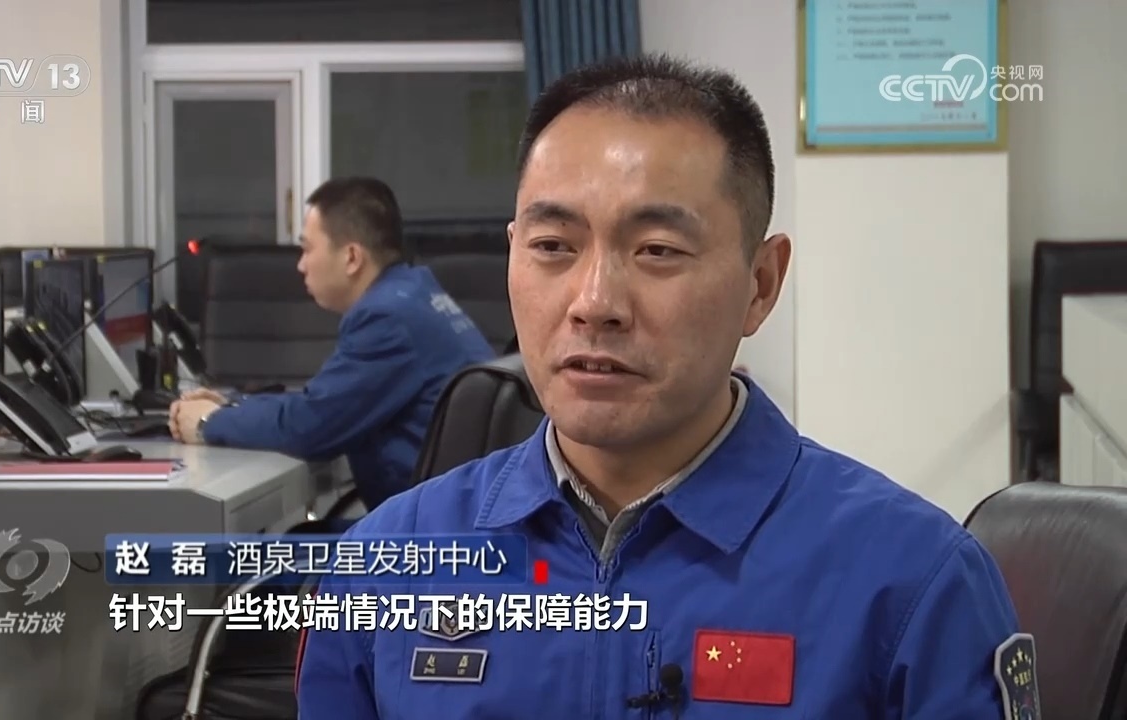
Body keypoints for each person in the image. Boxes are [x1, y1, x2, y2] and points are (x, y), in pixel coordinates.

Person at [294, 56, 1033, 718]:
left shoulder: (912, 583)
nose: (594, 302)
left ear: (760, 284)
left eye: (657, 250)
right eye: (553, 246)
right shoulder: (386, 568)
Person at [169, 177, 496, 512]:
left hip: (420, 535)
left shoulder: (387, 318)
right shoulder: (415, 293)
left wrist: (210, 423)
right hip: (445, 519)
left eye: (307, 249)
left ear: (351, 257)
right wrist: (233, 405)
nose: (300, 265)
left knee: (270, 546)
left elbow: (308, 428)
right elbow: (323, 403)